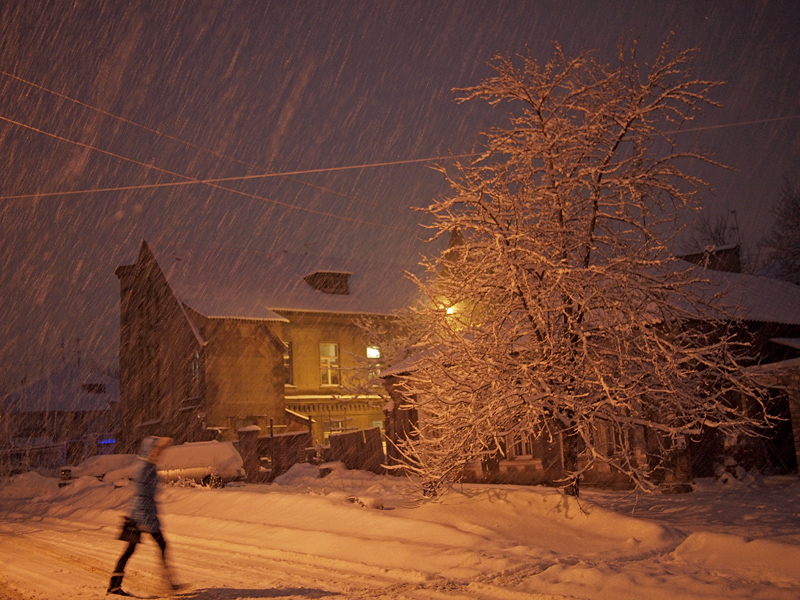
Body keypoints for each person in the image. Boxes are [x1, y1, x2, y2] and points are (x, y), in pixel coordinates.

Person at [107, 436, 182, 596]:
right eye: (158, 450)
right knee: (134, 549)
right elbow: (142, 494)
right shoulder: (144, 468)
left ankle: (168, 583)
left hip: (145, 515)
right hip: (139, 516)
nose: (160, 453)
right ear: (150, 450)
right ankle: (114, 586)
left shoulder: (149, 466)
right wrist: (144, 521)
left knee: (143, 548)